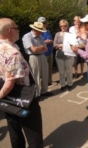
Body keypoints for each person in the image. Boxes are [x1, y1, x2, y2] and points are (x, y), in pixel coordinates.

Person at [0, 18, 43, 148]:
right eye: (16, 28)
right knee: (34, 136)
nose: (18, 30)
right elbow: (9, 83)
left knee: (15, 133)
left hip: (8, 100)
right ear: (9, 30)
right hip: (24, 98)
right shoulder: (12, 53)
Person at [22, 22, 53, 97]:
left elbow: (45, 48)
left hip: (42, 56)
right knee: (36, 75)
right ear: (34, 29)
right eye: (40, 31)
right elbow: (34, 50)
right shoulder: (27, 37)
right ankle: (36, 94)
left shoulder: (40, 37)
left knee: (45, 73)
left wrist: (39, 48)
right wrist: (41, 47)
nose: (41, 32)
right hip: (33, 57)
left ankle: (44, 91)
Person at [53, 19, 74, 91]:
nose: (63, 27)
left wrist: (64, 45)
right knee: (61, 71)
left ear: (67, 26)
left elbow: (73, 44)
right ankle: (62, 84)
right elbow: (54, 44)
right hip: (59, 55)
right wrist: (59, 45)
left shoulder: (70, 34)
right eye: (61, 26)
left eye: (64, 26)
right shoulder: (57, 34)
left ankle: (70, 83)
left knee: (69, 71)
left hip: (68, 55)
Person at [37, 17, 54, 86]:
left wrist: (51, 41)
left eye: (45, 23)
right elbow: (37, 42)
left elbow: (52, 40)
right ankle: (44, 83)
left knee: (50, 68)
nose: (44, 24)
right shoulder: (38, 32)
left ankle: (49, 81)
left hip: (50, 51)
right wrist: (45, 42)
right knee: (43, 69)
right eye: (42, 23)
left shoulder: (48, 31)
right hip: (43, 53)